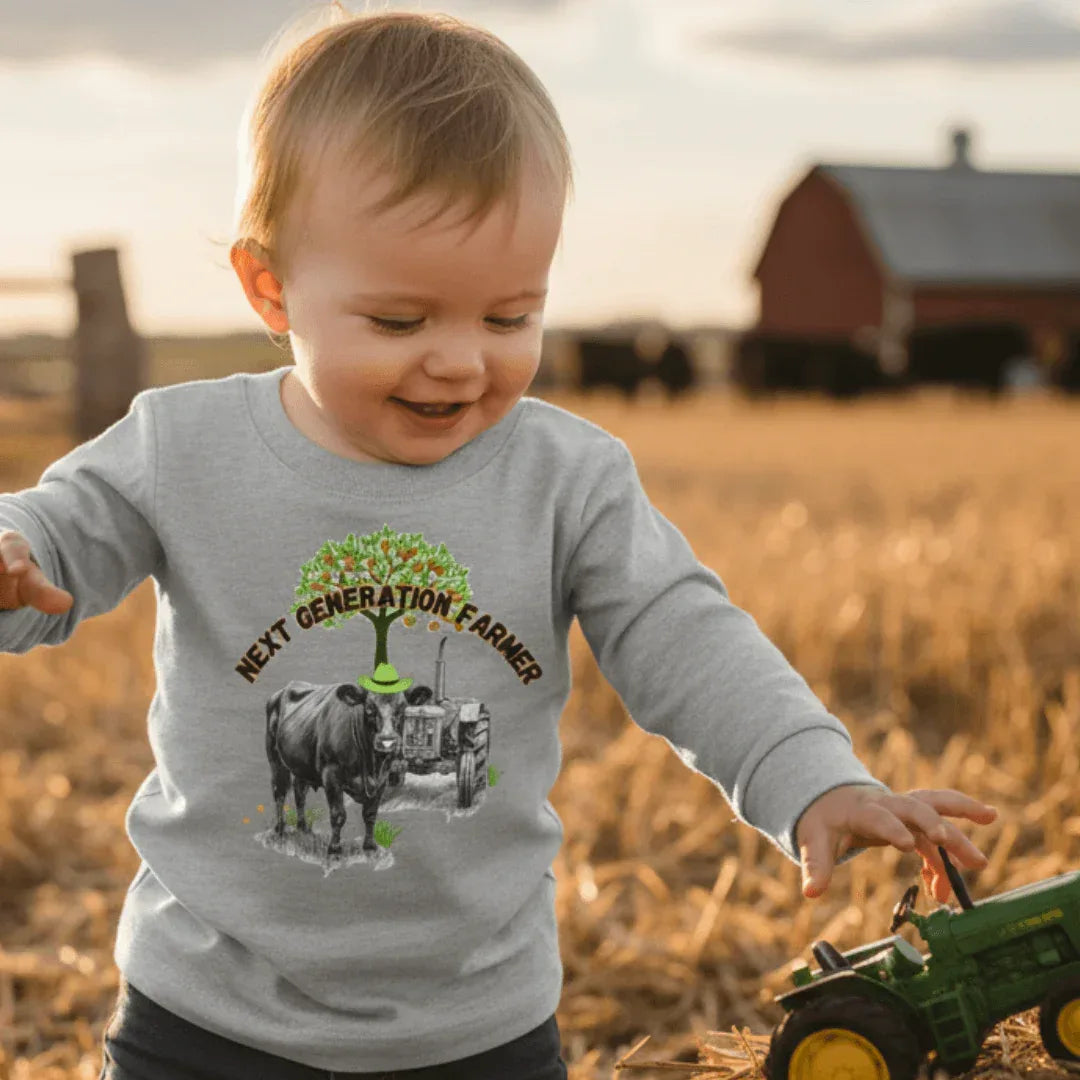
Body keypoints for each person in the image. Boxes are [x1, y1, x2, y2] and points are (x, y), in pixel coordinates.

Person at [0, 5, 997, 1079]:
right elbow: (54, 534)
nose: (459, 362)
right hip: (205, 1020)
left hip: (478, 1030)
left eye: (510, 317)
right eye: (399, 322)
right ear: (270, 286)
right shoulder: (182, 448)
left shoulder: (566, 478)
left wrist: (811, 776)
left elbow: (685, 635)